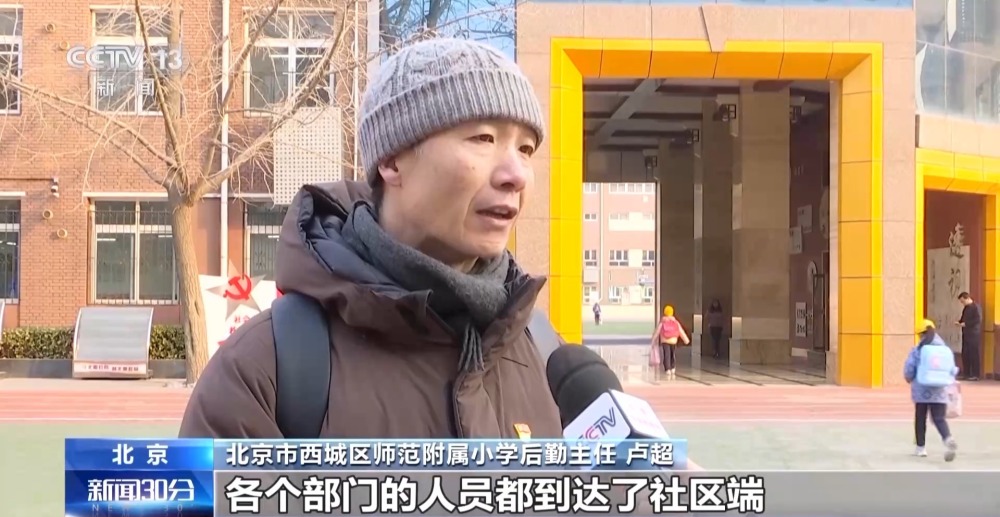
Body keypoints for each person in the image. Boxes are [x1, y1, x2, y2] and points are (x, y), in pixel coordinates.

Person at [178, 38, 564, 439]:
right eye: (483, 139)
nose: (516, 175)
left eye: (526, 149)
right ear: (391, 160)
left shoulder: (545, 356)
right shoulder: (263, 371)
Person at [903, 319, 958, 461]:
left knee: (920, 418)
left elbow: (910, 368)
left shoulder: (919, 349)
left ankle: (920, 448)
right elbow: (952, 369)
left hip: (921, 389)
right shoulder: (944, 349)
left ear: (920, 334)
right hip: (940, 389)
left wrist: (908, 377)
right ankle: (948, 438)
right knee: (939, 418)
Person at [653, 305, 690, 379]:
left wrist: (653, 340)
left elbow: (657, 331)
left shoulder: (663, 321)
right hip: (673, 340)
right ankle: (673, 367)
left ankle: (667, 369)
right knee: (672, 354)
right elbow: (681, 331)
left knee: (666, 354)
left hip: (664, 340)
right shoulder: (675, 321)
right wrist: (686, 340)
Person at [955, 292, 982, 381]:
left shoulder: (976, 307)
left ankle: (975, 374)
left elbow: (978, 320)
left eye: (963, 301)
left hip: (974, 334)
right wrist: (959, 322)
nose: (962, 303)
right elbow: (963, 318)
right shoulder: (966, 308)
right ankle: (966, 373)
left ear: (967, 298)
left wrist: (966, 324)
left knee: (973, 354)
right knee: (965, 353)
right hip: (966, 333)